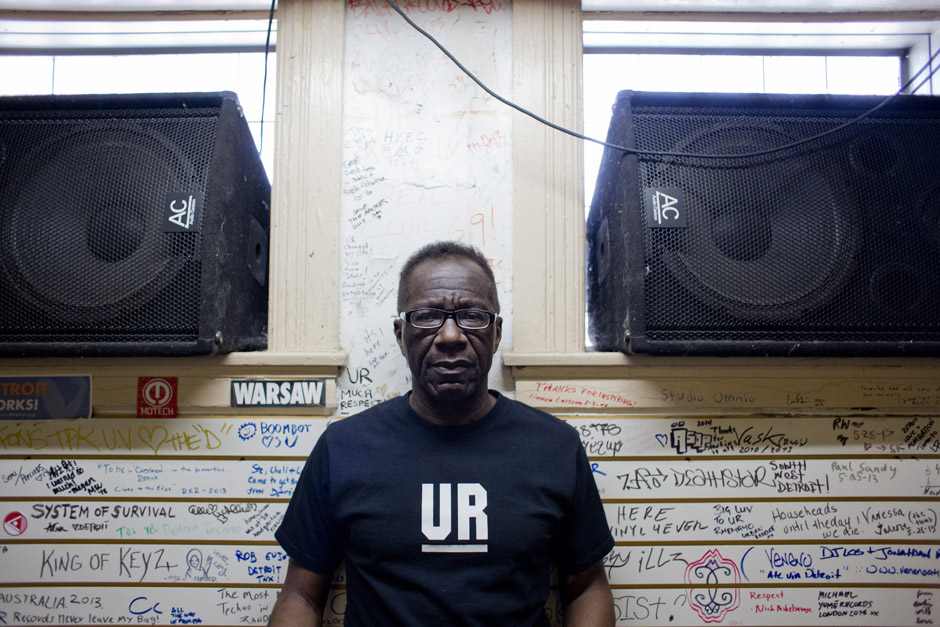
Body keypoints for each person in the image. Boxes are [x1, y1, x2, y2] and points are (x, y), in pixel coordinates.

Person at [269, 240, 615, 626]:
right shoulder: (344, 447)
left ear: (496, 333)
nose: (451, 335)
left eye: (472, 315)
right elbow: (300, 594)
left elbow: (587, 587)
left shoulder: (555, 447)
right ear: (401, 335)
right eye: (427, 316)